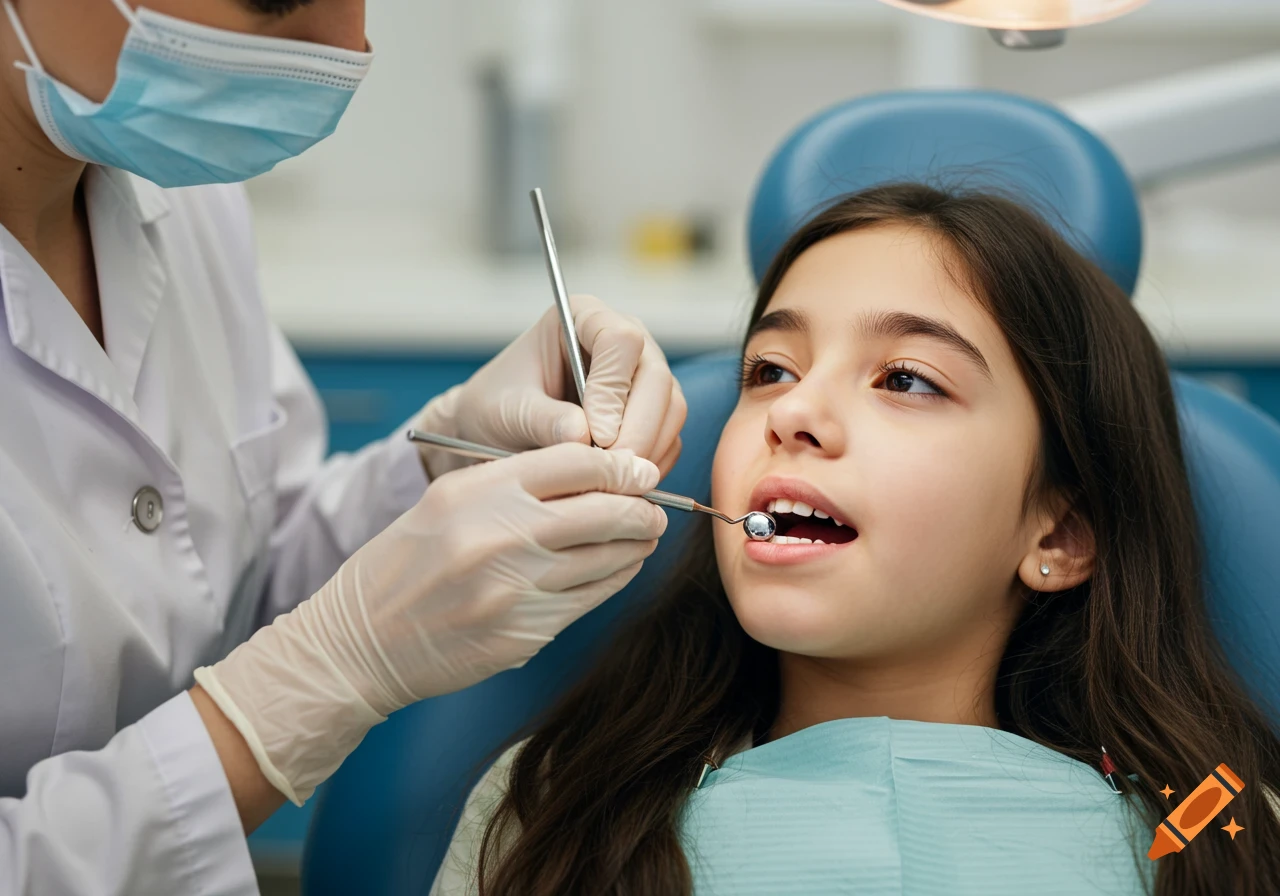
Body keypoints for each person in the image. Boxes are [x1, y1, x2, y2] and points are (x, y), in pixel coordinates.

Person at [0, 1, 686, 894]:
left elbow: (214, 569)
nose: (342, 46)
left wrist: (445, 460)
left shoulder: (177, 188)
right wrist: (308, 683)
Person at [431, 184, 1280, 896]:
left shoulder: (1210, 830)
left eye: (905, 379)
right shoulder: (561, 812)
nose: (793, 414)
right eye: (771, 371)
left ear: (1058, 531)